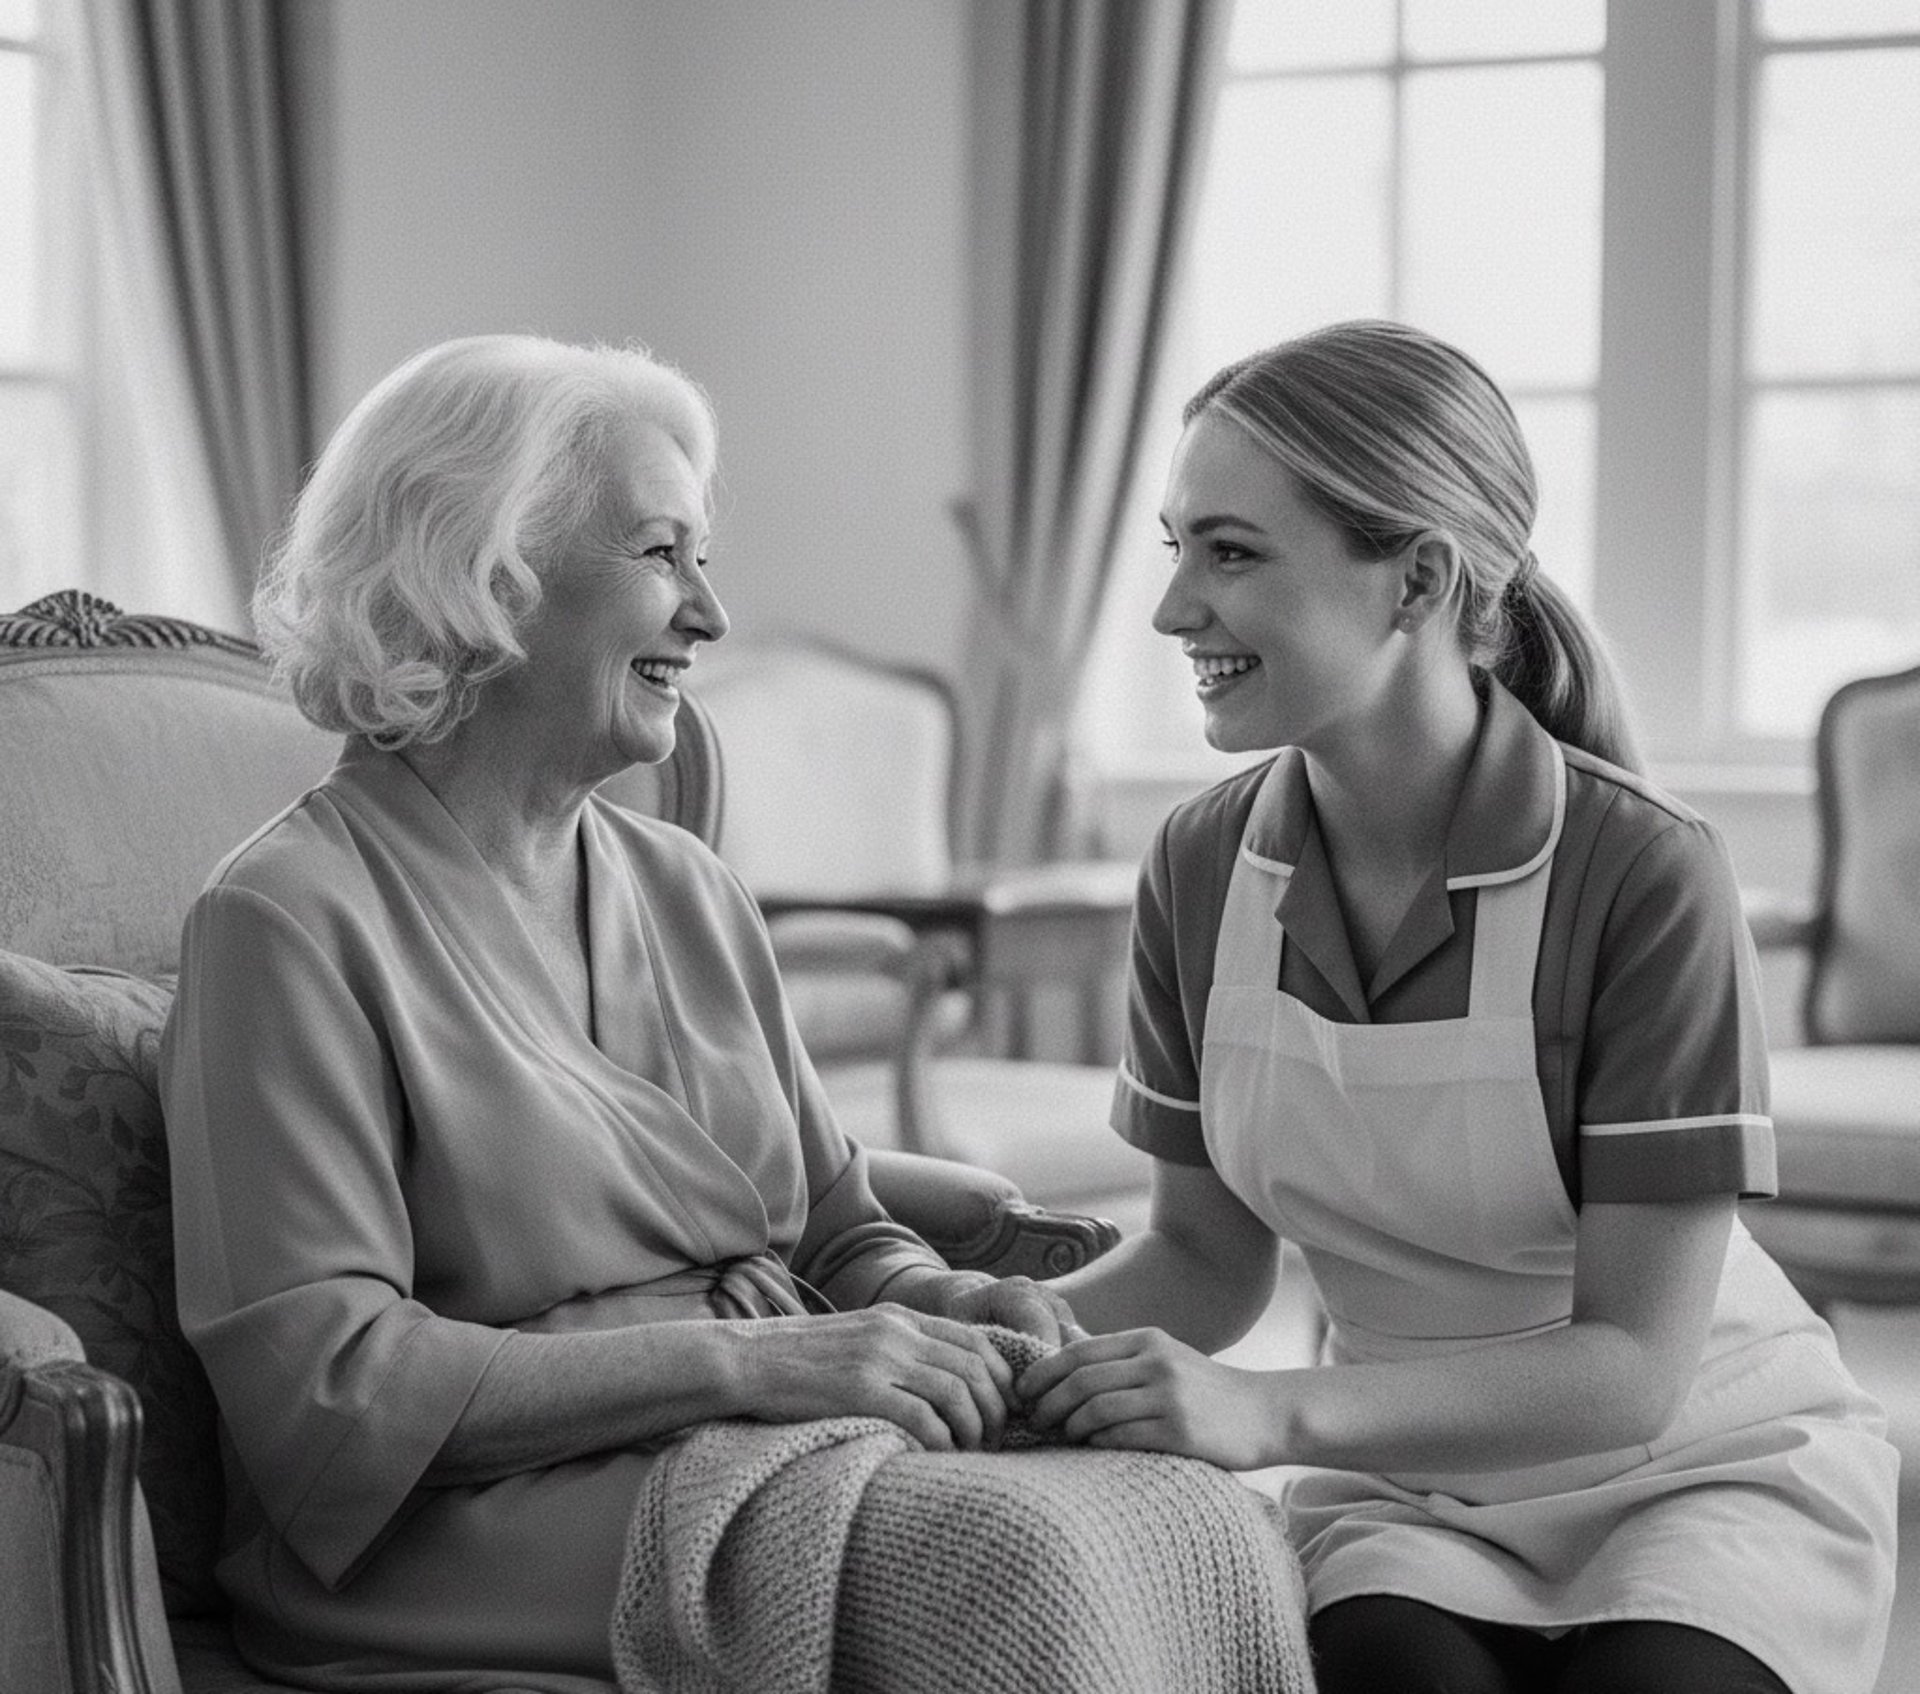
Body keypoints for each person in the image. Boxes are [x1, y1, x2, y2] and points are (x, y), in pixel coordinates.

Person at [158, 334, 1081, 1690]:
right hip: (451, 1528)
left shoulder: (689, 889)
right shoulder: (284, 921)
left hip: (750, 1439)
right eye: (663, 554)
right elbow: (332, 1394)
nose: (709, 614)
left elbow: (838, 1225)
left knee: (1165, 1495)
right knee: (1002, 1556)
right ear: (484, 577)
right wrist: (754, 1366)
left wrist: (948, 1302)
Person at [1017, 320, 1899, 1694]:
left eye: (1231, 551)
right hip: (1412, 1488)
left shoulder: (1639, 872)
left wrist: (1269, 1409)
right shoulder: (1199, 867)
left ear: (1417, 578)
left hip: (1703, 1463)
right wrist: (1009, 1335)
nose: (1173, 606)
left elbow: (1629, 1366)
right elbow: (1205, 1256)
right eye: (1176, 543)